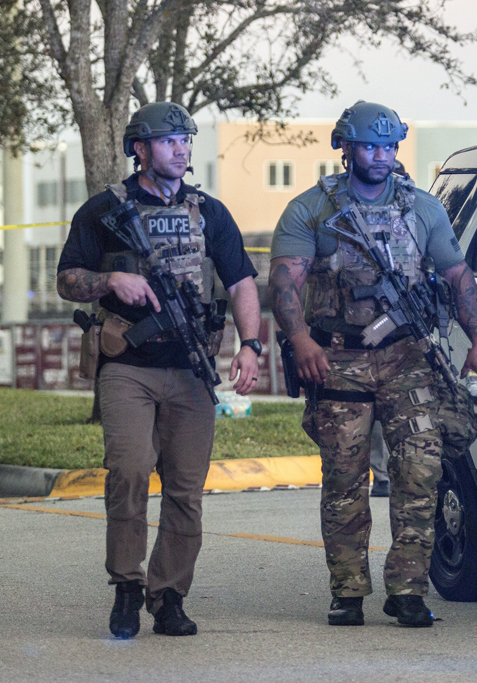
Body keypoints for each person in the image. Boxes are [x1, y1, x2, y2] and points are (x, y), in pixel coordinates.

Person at [268, 100, 477, 627]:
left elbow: (458, 277)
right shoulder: (312, 210)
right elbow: (284, 282)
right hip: (338, 359)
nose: (382, 156)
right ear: (345, 147)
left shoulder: (423, 209)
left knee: (420, 471)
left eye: (390, 146)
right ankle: (347, 591)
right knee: (344, 478)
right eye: (371, 145)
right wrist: (299, 339)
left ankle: (408, 590)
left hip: (408, 360)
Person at [57, 102, 262, 639]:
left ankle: (167, 594)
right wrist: (110, 284)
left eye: (186, 140)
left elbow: (241, 282)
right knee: (128, 473)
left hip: (191, 371)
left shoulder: (210, 212)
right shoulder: (104, 210)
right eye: (169, 140)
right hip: (128, 367)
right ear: (140, 150)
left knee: (186, 489)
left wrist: (251, 345)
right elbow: (67, 278)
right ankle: (126, 585)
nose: (181, 149)